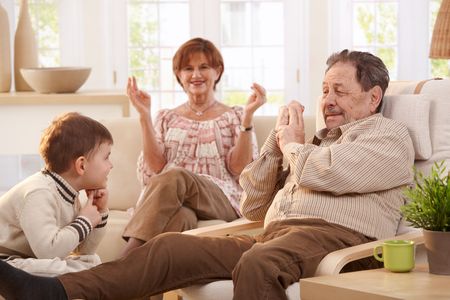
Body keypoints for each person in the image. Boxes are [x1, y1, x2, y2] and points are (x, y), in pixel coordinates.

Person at [0, 49, 415, 300]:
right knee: (168, 248)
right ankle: (53, 292)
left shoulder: (388, 137)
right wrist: (278, 146)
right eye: (324, 90)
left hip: (335, 241)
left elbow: (332, 174)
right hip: (275, 237)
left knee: (260, 262)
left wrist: (290, 144)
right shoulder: (315, 141)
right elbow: (253, 204)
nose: (327, 100)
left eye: (339, 91)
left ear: (374, 96)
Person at [120, 37, 265, 255]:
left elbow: (239, 169)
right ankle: (151, 287)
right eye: (188, 69)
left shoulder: (235, 115)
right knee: (181, 218)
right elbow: (155, 167)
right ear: (179, 75)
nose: (195, 75)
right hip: (174, 197)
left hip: (220, 198)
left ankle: (126, 258)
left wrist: (247, 119)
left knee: (176, 175)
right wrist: (144, 116)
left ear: (217, 71)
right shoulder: (166, 117)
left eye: (203, 67)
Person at [0, 112, 113, 277]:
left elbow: (82, 251)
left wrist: (100, 212)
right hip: (6, 262)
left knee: (91, 261)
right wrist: (85, 220)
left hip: (30, 260)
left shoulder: (69, 194)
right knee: (79, 269)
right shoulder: (39, 192)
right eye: (106, 158)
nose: (111, 165)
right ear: (81, 165)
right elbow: (48, 251)